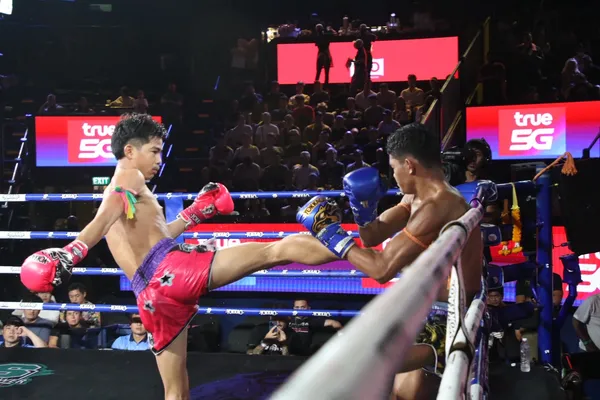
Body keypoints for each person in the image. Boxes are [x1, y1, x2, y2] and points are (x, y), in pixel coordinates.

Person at [19, 113, 338, 400]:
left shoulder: (125, 192)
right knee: (278, 249)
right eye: (154, 151)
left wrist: (194, 213)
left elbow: (153, 236)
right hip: (172, 270)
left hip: (150, 297)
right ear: (130, 151)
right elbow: (103, 219)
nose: (159, 160)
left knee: (175, 391)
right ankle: (353, 249)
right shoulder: (129, 177)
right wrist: (73, 250)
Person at [296, 123, 487, 399]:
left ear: (409, 165)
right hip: (424, 309)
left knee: (363, 366)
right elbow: (373, 236)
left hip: (449, 318)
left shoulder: (439, 204)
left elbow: (382, 269)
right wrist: (362, 209)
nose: (394, 176)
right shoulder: (416, 197)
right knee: (389, 384)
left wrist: (328, 233)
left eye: (394, 167)